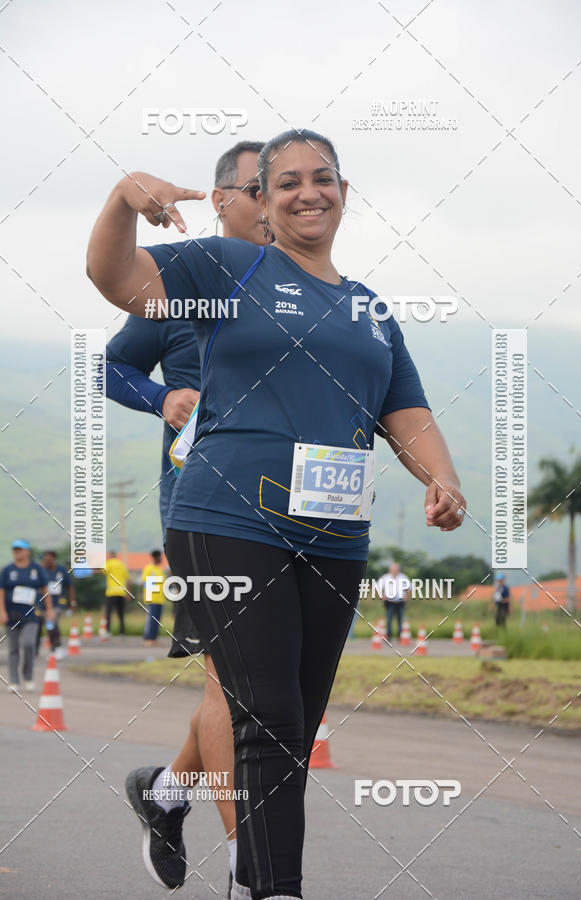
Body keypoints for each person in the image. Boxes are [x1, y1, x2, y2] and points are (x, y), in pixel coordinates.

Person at [87, 128, 467, 900]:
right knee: (261, 716)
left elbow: (408, 411)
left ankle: (199, 822)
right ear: (260, 200)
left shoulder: (370, 309)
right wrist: (124, 196)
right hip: (227, 516)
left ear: (344, 192)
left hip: (334, 532)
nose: (307, 192)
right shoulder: (231, 267)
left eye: (321, 178)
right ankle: (270, 886)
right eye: (285, 181)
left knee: (291, 729)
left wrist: (444, 479)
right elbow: (116, 279)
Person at [105, 142, 269, 893]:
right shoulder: (183, 288)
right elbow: (107, 363)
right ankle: (252, 868)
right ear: (221, 199)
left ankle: (166, 794)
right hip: (205, 512)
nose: (275, 205)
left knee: (262, 689)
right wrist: (160, 398)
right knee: (231, 690)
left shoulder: (305, 288)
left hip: (292, 517)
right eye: (260, 188)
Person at [0, 540, 55, 692]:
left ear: (27, 551)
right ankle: (14, 681)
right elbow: (2, 591)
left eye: (20, 550)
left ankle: (28, 676)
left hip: (32, 615)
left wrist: (49, 609)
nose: (17, 552)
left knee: (29, 644)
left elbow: (45, 589)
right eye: (15, 550)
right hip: (11, 615)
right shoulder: (7, 570)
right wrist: (1, 611)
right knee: (13, 648)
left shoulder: (36, 569)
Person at [37, 550, 76, 658]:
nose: (47, 562)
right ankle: (53, 648)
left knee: (51, 622)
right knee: (49, 626)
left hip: (59, 603)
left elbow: (70, 587)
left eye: (49, 559)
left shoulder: (62, 571)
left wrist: (72, 603)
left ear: (54, 559)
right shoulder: (41, 571)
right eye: (45, 560)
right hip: (44, 605)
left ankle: (56, 647)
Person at [376, 561, 410, 640]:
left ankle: (400, 636)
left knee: (400, 619)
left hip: (400, 602)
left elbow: (409, 588)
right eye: (393, 569)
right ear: (390, 570)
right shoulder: (385, 577)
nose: (395, 571)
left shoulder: (403, 577)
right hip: (389, 602)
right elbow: (378, 587)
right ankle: (389, 636)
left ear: (399, 570)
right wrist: (382, 596)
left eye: (396, 569)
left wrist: (407, 596)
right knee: (389, 619)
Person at [141, 550, 166, 646]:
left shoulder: (159, 569)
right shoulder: (149, 568)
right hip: (152, 598)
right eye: (160, 557)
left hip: (159, 599)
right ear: (156, 557)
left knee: (156, 620)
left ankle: (153, 638)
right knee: (151, 619)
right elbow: (145, 582)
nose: (161, 559)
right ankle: (148, 638)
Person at [103, 551, 130, 635]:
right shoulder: (122, 564)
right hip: (121, 593)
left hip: (111, 593)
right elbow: (128, 580)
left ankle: (107, 631)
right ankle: (122, 632)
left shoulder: (109, 563)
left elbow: (102, 571)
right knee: (121, 613)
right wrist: (128, 593)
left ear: (110, 556)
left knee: (108, 613)